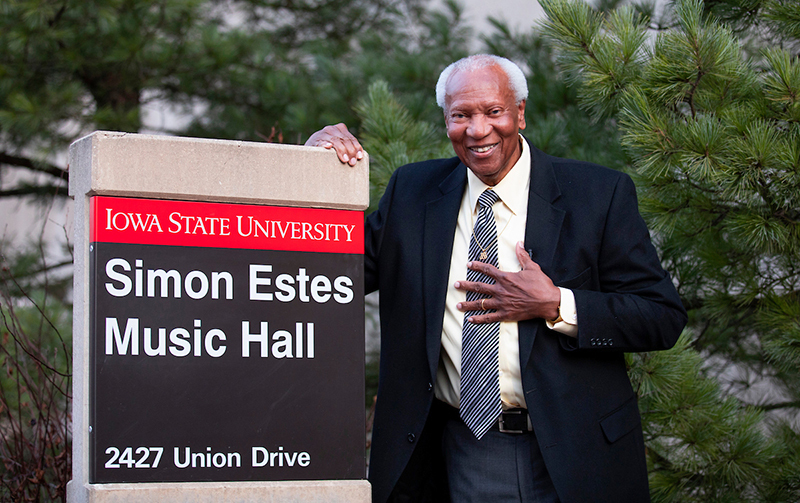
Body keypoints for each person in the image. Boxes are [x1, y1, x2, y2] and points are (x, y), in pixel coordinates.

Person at [306, 54, 687, 503]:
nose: (478, 129)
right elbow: (326, 276)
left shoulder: (597, 195)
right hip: (461, 449)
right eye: (461, 115)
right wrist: (314, 174)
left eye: (493, 112)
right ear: (446, 121)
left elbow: (662, 316)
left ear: (520, 113)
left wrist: (556, 304)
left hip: (576, 453)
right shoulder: (412, 193)